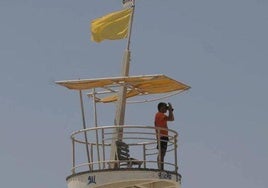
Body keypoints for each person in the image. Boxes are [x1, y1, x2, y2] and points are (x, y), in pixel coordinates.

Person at [154, 102, 174, 170]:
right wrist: (170, 109)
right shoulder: (159, 114)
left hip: (162, 136)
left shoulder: (160, 115)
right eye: (165, 107)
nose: (166, 108)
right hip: (162, 136)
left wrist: (170, 110)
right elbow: (171, 118)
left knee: (161, 153)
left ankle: (160, 167)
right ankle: (161, 168)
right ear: (161, 107)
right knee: (162, 153)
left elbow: (171, 119)